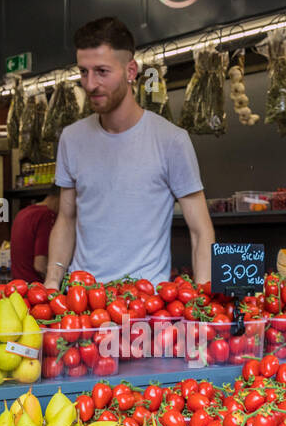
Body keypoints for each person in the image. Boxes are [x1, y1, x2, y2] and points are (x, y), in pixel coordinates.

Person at [44, 16, 215, 289]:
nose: (90, 84)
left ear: (131, 71)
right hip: (82, 299)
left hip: (144, 304)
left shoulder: (171, 140)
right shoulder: (71, 138)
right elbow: (66, 218)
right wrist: (52, 284)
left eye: (101, 71)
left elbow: (201, 230)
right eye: (84, 72)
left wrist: (205, 297)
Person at [9, 187, 58, 283]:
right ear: (60, 198)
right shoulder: (47, 215)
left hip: (17, 286)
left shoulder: (23, 212)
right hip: (35, 288)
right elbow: (40, 265)